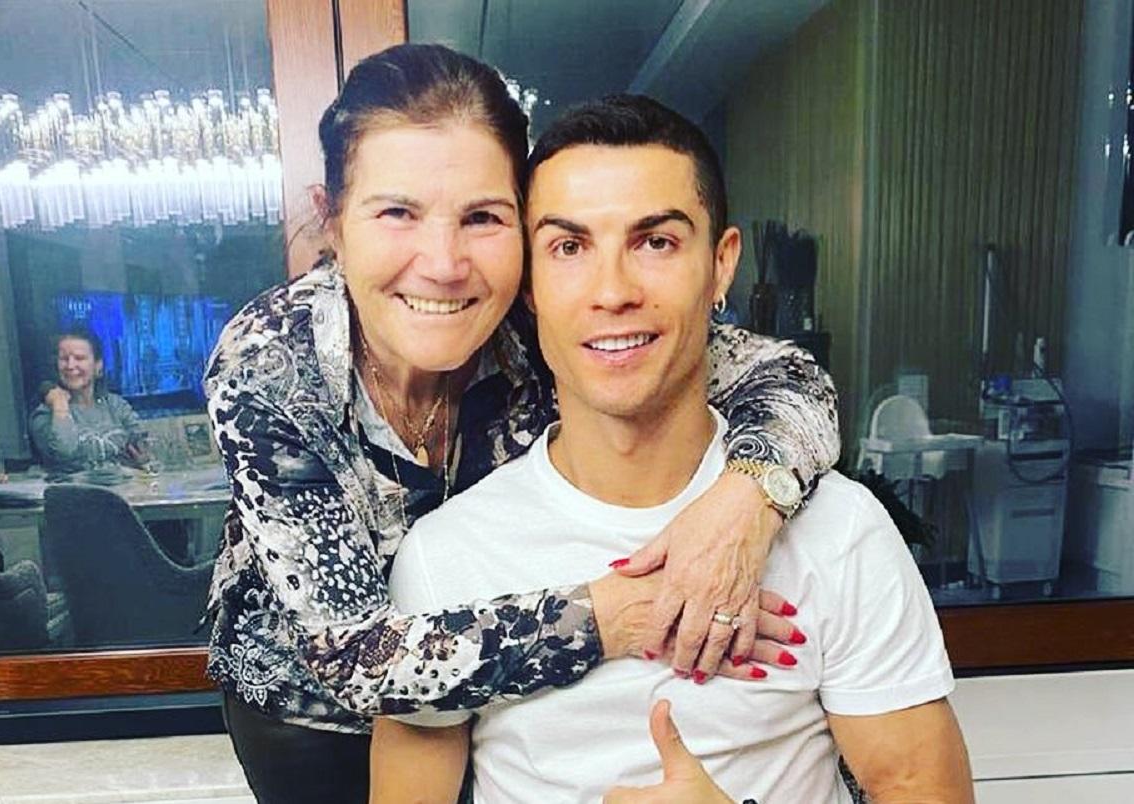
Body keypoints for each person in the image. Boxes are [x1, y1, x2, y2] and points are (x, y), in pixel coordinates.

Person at [204, 45, 840, 803]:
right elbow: (357, 659)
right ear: (333, 221)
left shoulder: (546, 317)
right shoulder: (272, 362)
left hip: (511, 696)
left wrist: (745, 503)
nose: (444, 264)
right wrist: (622, 615)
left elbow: (792, 379)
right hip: (319, 716)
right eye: (397, 213)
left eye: (483, 218)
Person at [373, 95, 973, 804]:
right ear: (529, 283)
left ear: (721, 266)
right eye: (569, 248)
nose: (613, 292)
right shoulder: (447, 556)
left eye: (655, 242)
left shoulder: (840, 530)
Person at [29, 327, 149, 476]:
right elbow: (64, 450)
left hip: (125, 487)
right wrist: (59, 404)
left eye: (79, 358)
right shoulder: (45, 414)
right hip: (72, 490)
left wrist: (142, 458)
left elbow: (141, 446)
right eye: (64, 359)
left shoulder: (116, 405)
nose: (70, 366)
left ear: (98, 365)